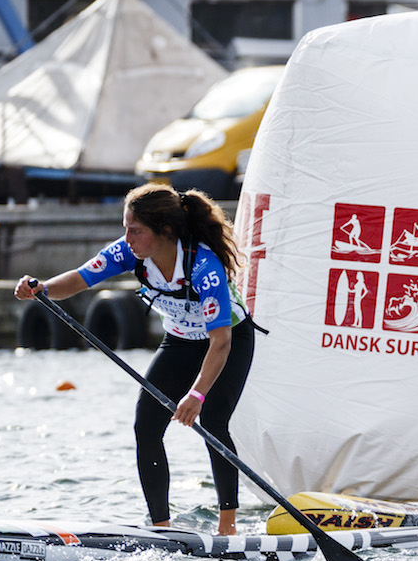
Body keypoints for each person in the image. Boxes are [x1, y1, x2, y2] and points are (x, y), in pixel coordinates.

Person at [14, 183, 255, 535]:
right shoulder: (129, 253)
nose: (126, 238)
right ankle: (161, 528)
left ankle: (228, 528)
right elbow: (80, 279)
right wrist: (43, 289)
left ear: (165, 232)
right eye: (125, 228)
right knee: (146, 427)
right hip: (181, 340)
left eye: (135, 230)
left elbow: (221, 342)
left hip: (227, 342)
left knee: (215, 422)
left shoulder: (205, 266)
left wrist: (196, 394)